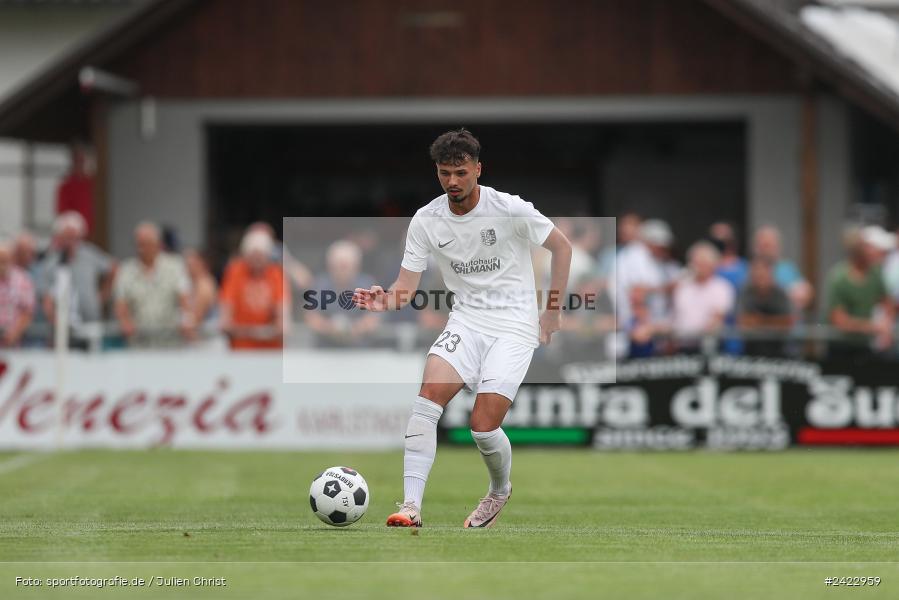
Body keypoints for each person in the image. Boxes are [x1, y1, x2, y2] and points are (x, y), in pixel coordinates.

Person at [353, 128, 572, 528]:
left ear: (477, 169)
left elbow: (562, 246)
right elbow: (405, 290)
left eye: (460, 172)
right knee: (426, 401)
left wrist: (552, 311)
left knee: (483, 427)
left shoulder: (509, 209)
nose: (452, 181)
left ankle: (498, 491)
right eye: (444, 173)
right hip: (467, 321)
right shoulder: (426, 220)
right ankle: (410, 507)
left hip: (514, 325)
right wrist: (381, 299)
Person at [41, 212, 115, 348]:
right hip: (62, 329)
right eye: (67, 237)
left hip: (90, 323)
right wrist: (55, 320)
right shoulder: (52, 262)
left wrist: (103, 295)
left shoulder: (90, 254)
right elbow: (46, 298)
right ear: (59, 238)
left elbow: (113, 268)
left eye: (75, 237)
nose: (71, 242)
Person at [113, 222, 192, 347]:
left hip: (170, 342)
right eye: (139, 244)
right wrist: (124, 322)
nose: (142, 249)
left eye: (146, 244)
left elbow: (184, 298)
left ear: (158, 245)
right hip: (138, 343)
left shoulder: (175, 266)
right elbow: (120, 303)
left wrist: (186, 320)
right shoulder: (126, 270)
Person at [825, 227, 894, 360]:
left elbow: (888, 304)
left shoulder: (876, 273)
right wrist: (872, 327)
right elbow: (839, 320)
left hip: (865, 346)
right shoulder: (838, 278)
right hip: (840, 348)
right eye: (868, 248)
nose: (873, 252)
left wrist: (886, 326)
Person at [219, 230, 289, 350]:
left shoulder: (276, 273)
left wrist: (279, 325)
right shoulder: (235, 271)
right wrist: (230, 325)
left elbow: (282, 310)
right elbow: (226, 309)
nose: (257, 261)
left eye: (261, 256)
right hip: (241, 348)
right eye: (253, 256)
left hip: (270, 348)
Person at [306, 240, 380, 347]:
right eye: (336, 266)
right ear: (329, 266)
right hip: (325, 350)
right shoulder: (320, 284)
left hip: (360, 350)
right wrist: (329, 328)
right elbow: (311, 317)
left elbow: (374, 318)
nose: (340, 271)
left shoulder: (368, 285)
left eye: (344, 266)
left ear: (356, 266)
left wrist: (354, 328)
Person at [672, 241, 735, 352]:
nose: (698, 267)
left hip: (709, 348)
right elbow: (676, 317)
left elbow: (718, 318)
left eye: (703, 263)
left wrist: (701, 332)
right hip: (682, 347)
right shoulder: (682, 287)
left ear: (713, 265)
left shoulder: (722, 287)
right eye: (695, 263)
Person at [737, 257, 794, 356]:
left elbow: (787, 323)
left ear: (770, 274)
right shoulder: (745, 292)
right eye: (757, 275)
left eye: (763, 275)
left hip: (778, 349)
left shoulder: (780, 293)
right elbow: (742, 322)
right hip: (750, 350)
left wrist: (759, 321)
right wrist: (773, 322)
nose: (760, 278)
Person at [0, 240, 36, 348]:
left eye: (5, 261)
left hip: (12, 342)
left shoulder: (23, 280)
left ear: (12, 260)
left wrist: (14, 333)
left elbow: (28, 311)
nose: (2, 265)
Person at [56, 143, 94, 235]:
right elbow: (62, 211)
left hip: (91, 231)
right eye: (77, 160)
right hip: (72, 231)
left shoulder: (91, 184)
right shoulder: (66, 185)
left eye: (82, 160)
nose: (80, 164)